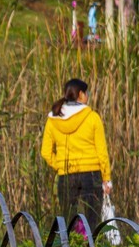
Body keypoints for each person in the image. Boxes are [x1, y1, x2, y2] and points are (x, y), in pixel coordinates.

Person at [42, 78, 112, 233]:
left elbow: (45, 152)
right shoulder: (92, 117)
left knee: (68, 222)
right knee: (93, 221)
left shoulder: (53, 119)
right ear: (81, 94)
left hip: (66, 174)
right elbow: (102, 151)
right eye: (86, 93)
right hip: (92, 174)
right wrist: (106, 178)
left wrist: (60, 165)